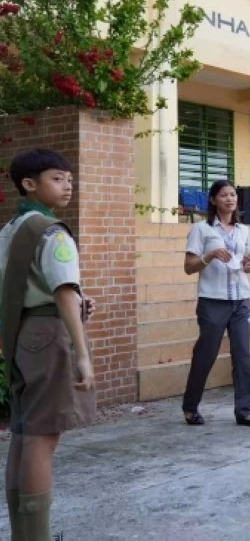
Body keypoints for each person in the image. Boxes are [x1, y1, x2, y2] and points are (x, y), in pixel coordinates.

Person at [1, 149, 96, 538]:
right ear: (29, 184)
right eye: (57, 178)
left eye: (69, 179)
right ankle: (36, 535)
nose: (67, 186)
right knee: (43, 437)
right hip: (48, 335)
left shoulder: (9, 230)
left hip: (21, 336)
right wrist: (83, 355)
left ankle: (24, 531)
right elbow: (62, 291)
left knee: (24, 434)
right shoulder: (52, 231)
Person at [181, 180, 250, 427]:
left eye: (233, 195)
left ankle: (245, 411)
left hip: (240, 299)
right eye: (224, 195)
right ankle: (190, 407)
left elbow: (247, 263)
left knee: (242, 356)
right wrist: (209, 255)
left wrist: (249, 265)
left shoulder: (243, 230)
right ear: (214, 199)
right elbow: (188, 267)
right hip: (212, 300)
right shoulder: (201, 230)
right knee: (205, 354)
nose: (230, 199)